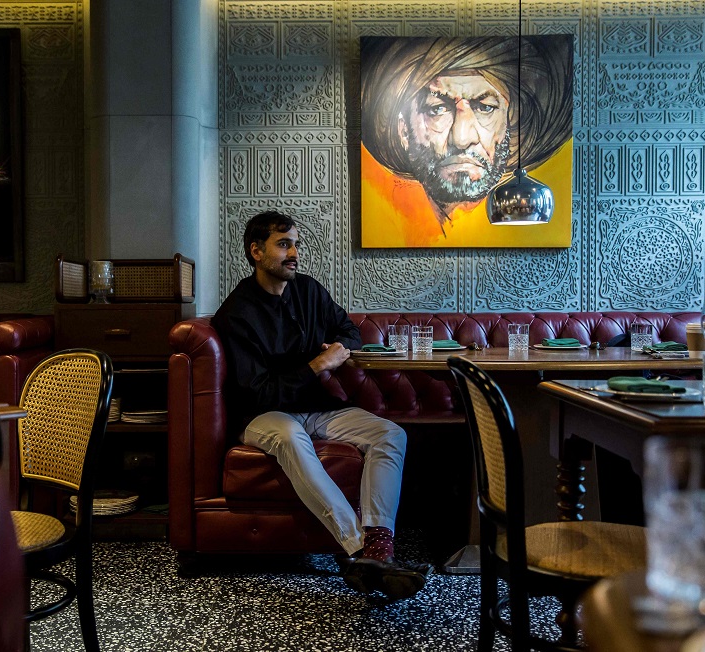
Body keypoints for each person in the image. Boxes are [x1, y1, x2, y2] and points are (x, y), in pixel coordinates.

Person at [211, 210, 431, 600]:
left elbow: (349, 331)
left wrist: (339, 348)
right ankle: (359, 549)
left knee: (389, 433)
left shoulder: (308, 291)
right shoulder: (236, 314)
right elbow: (258, 392)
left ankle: (379, 545)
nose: (294, 252)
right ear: (256, 252)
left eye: (295, 243)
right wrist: (315, 366)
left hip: (317, 406)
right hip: (262, 415)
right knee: (292, 436)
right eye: (284, 244)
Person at [360, 35, 574, 247]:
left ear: (508, 124)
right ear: (404, 130)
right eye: (438, 109)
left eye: (485, 108)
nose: (462, 138)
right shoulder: (395, 222)